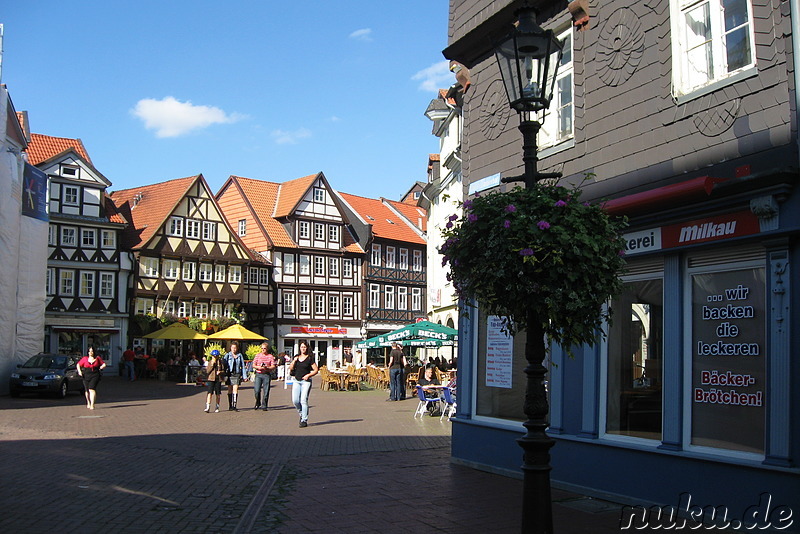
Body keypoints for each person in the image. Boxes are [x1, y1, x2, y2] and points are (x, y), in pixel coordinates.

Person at [289, 341, 318, 427]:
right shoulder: (296, 357)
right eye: (301, 347)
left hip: (306, 382)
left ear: (307, 348)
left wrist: (308, 375)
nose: (303, 349)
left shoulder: (310, 358)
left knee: (303, 400)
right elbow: (290, 368)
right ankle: (301, 413)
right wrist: (294, 361)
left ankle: (304, 420)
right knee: (295, 401)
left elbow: (316, 370)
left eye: (304, 347)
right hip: (296, 381)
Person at [252, 342, 277, 410]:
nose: (263, 350)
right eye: (262, 348)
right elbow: (253, 364)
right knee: (257, 390)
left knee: (266, 391)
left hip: (266, 374)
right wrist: (258, 367)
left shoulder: (270, 356)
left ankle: (264, 405)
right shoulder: (258, 355)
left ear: (267, 349)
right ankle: (258, 402)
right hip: (258, 374)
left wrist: (267, 368)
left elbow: (273, 366)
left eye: (264, 348)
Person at [223, 342, 245, 411]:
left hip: (237, 374)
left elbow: (243, 366)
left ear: (237, 348)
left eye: (235, 348)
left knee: (235, 389)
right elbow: (223, 363)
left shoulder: (239, 355)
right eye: (232, 348)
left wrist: (244, 376)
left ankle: (234, 405)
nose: (234, 349)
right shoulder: (228, 355)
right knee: (229, 389)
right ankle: (230, 405)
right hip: (229, 374)